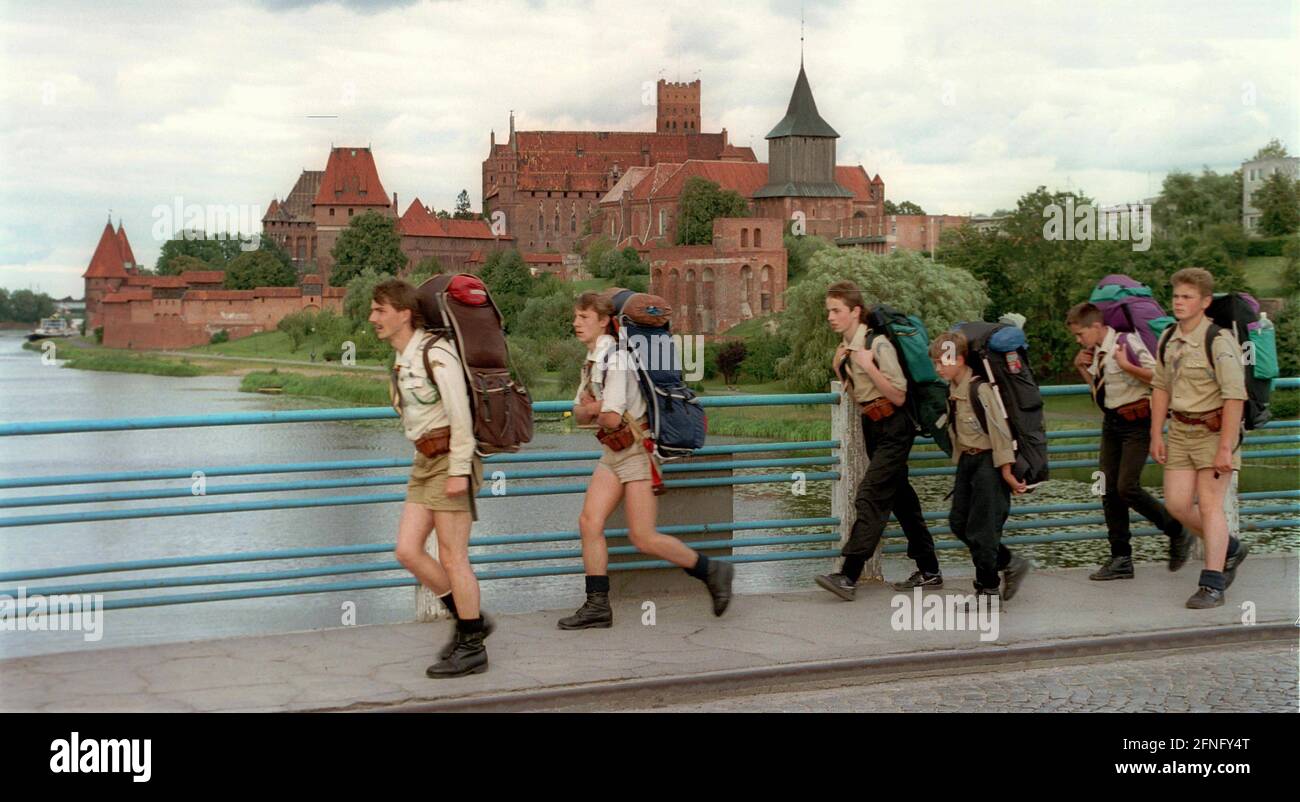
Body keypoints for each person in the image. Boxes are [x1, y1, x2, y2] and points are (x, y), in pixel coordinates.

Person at [557, 291, 734, 629]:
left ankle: (711, 570)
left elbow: (606, 416)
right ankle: (597, 605)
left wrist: (593, 409)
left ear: (604, 322)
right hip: (613, 452)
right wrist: (595, 410)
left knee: (643, 536)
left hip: (636, 453)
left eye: (584, 317)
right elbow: (582, 415)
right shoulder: (593, 359)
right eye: (576, 316)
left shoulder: (617, 359)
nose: (576, 323)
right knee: (589, 522)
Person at [370, 279, 490, 677]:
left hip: (451, 460)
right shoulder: (404, 358)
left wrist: (459, 469)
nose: (373, 318)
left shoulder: (436, 354)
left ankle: (472, 647)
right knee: (407, 550)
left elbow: (460, 416)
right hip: (424, 461)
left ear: (404, 314)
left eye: (380, 310)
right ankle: (471, 620)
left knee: (453, 556)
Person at [814, 281, 942, 600]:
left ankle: (848, 575)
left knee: (870, 496)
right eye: (828, 310)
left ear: (855, 311)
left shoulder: (878, 344)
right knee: (902, 501)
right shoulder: (846, 350)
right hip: (873, 426)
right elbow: (860, 399)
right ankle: (930, 570)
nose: (830, 317)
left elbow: (899, 395)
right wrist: (840, 369)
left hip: (896, 426)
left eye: (837, 310)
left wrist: (868, 366)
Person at [1066, 302, 1191, 580]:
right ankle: (1121, 558)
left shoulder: (1126, 342)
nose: (1078, 340)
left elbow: (1161, 378)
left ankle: (1176, 530)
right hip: (1112, 423)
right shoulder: (1096, 352)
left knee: (1127, 487)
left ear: (1096, 326)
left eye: (1080, 334)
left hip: (1137, 422)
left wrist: (1125, 365)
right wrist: (1082, 369)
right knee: (1109, 490)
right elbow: (1101, 393)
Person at [1149, 268, 1250, 609]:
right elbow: (1160, 386)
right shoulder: (1167, 338)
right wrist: (1156, 433)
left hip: (1213, 432)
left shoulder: (1218, 340)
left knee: (1209, 506)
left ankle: (1212, 584)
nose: (1179, 302)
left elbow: (1235, 395)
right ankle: (1231, 549)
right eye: (1176, 296)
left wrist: (1225, 445)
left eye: (1187, 297)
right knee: (1177, 505)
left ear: (1205, 302)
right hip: (1179, 431)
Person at [930, 330, 1033, 604]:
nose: (938, 368)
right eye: (936, 363)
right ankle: (1010, 562)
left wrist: (1007, 472)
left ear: (961, 359)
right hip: (968, 462)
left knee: (982, 530)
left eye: (943, 362)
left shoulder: (980, 390)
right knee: (959, 523)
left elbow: (1000, 433)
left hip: (989, 463)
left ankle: (987, 590)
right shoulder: (952, 391)